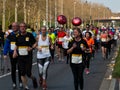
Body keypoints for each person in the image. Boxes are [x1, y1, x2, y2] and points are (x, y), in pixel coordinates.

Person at [13, 22, 38, 90]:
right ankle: (26, 86)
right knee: (22, 72)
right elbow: (16, 45)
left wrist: (32, 48)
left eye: (24, 26)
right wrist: (15, 51)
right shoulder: (17, 36)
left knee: (28, 73)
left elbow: (36, 43)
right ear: (19, 28)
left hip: (28, 56)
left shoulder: (29, 35)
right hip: (20, 57)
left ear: (26, 28)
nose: (22, 28)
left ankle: (34, 79)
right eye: (21, 26)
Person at [3, 22, 22, 89]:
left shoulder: (21, 34)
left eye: (15, 26)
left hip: (20, 53)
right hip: (12, 54)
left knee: (20, 68)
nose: (14, 27)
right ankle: (14, 83)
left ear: (18, 27)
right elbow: (6, 45)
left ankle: (20, 82)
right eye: (13, 26)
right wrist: (5, 53)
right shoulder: (10, 35)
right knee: (13, 68)